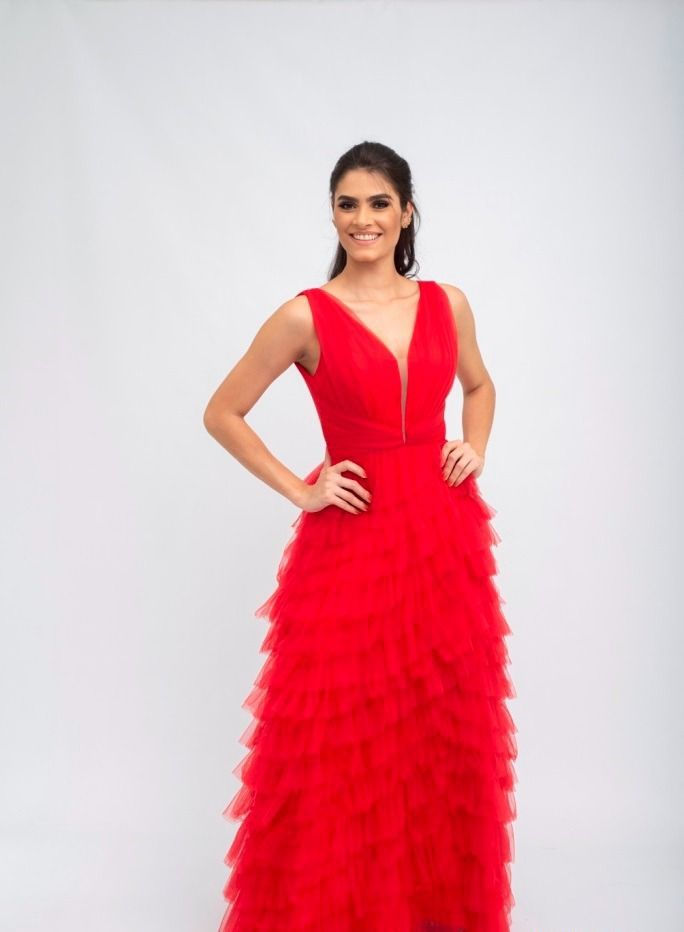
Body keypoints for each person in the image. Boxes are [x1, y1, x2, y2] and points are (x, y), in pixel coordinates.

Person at [203, 140, 518, 932]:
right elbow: (222, 412)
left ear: (407, 212)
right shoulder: (305, 315)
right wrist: (302, 489)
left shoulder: (448, 303)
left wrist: (475, 444)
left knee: (436, 730)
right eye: (348, 204)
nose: (363, 219)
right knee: (347, 741)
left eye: (379, 203)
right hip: (352, 542)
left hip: (443, 538)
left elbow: (479, 384)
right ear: (333, 214)